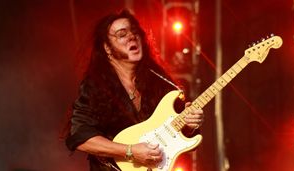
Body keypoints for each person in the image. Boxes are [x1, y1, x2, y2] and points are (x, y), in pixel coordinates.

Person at [64, 9, 204, 171]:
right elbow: (80, 136)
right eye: (122, 34)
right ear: (107, 48)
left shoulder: (160, 82)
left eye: (134, 31)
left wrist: (190, 125)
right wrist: (130, 151)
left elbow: (184, 141)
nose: (132, 36)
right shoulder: (95, 86)